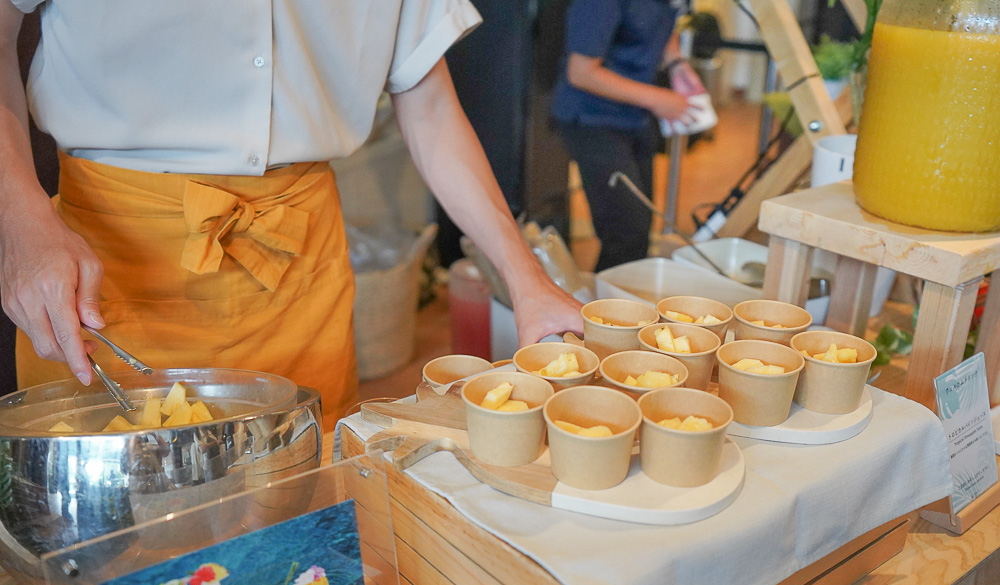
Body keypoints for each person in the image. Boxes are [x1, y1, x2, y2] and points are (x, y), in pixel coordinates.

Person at [0, 0, 584, 426]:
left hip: (298, 279)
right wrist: (22, 220)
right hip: (109, 272)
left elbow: (429, 108)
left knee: (293, 542)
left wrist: (526, 279)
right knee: (118, 567)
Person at [552, 0, 706, 272]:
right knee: (626, 235)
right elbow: (581, 72)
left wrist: (676, 63)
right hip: (591, 118)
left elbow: (664, 24)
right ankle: (603, 313)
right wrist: (658, 99)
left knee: (640, 229)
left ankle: (619, 307)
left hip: (634, 117)